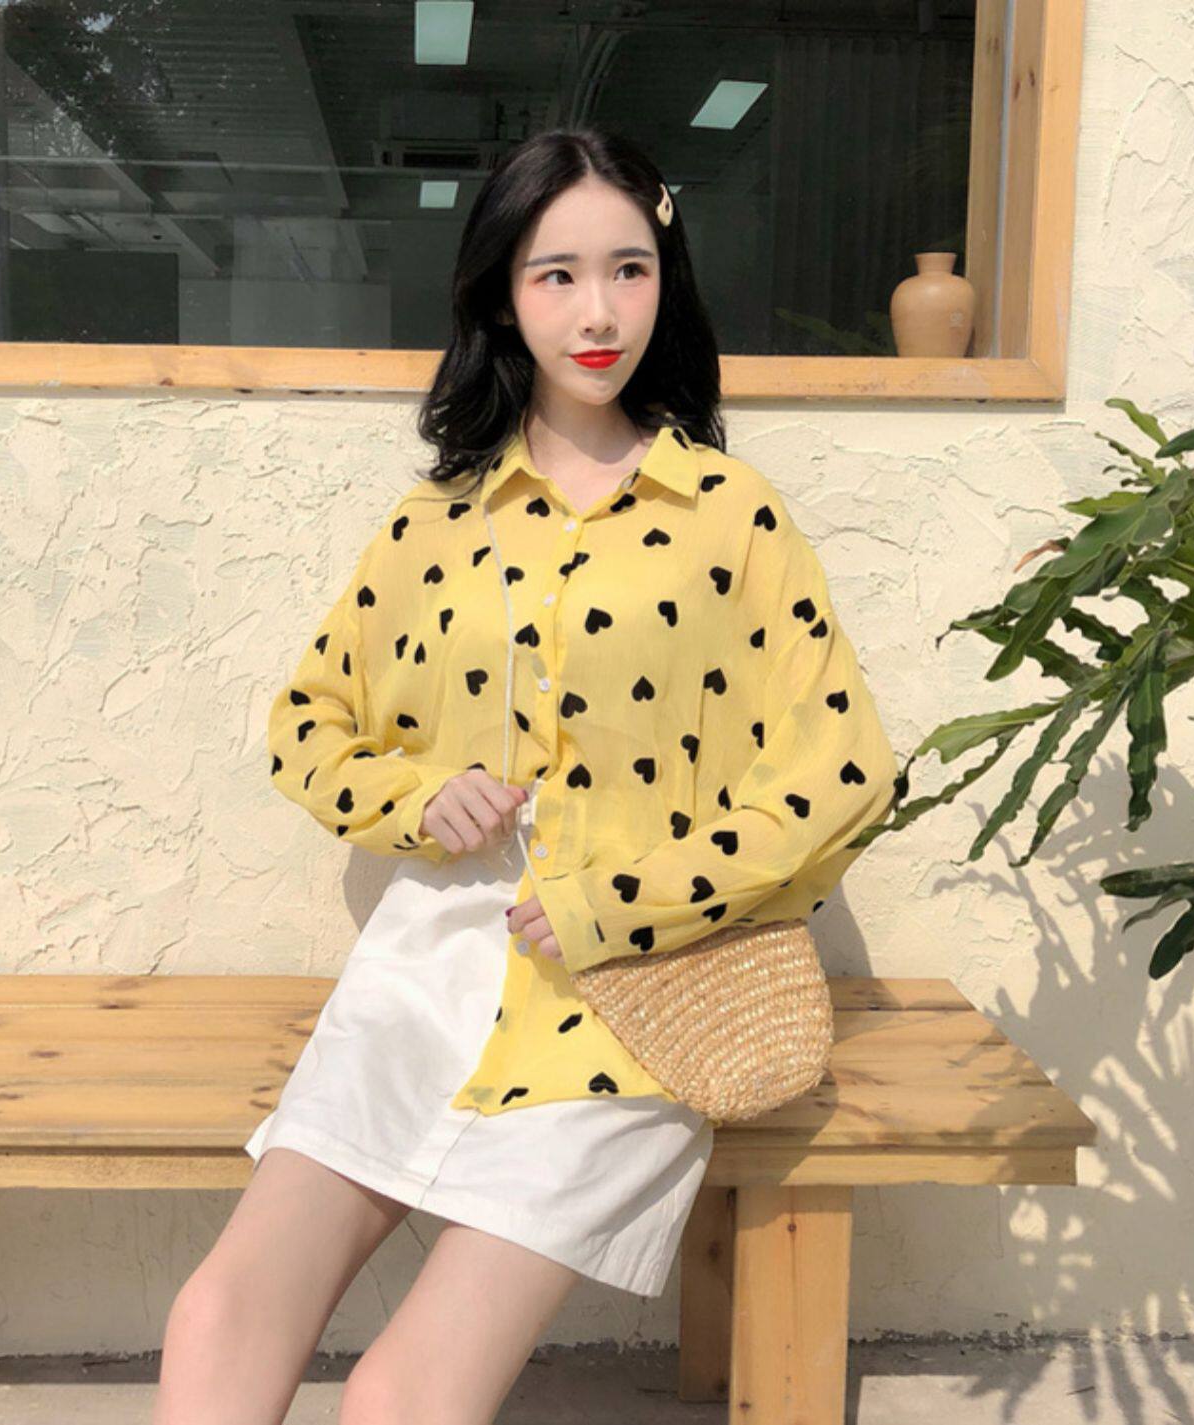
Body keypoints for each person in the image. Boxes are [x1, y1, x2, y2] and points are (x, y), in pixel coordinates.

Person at [153, 126, 900, 1425]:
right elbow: (307, 724)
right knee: (220, 1309)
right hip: (428, 971)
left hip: (640, 1000)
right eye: (557, 275)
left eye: (628, 269)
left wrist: (628, 900)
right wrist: (414, 798)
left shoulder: (730, 514)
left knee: (400, 1397)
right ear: (501, 292)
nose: (598, 312)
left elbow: (845, 767)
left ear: (665, 281)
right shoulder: (433, 525)